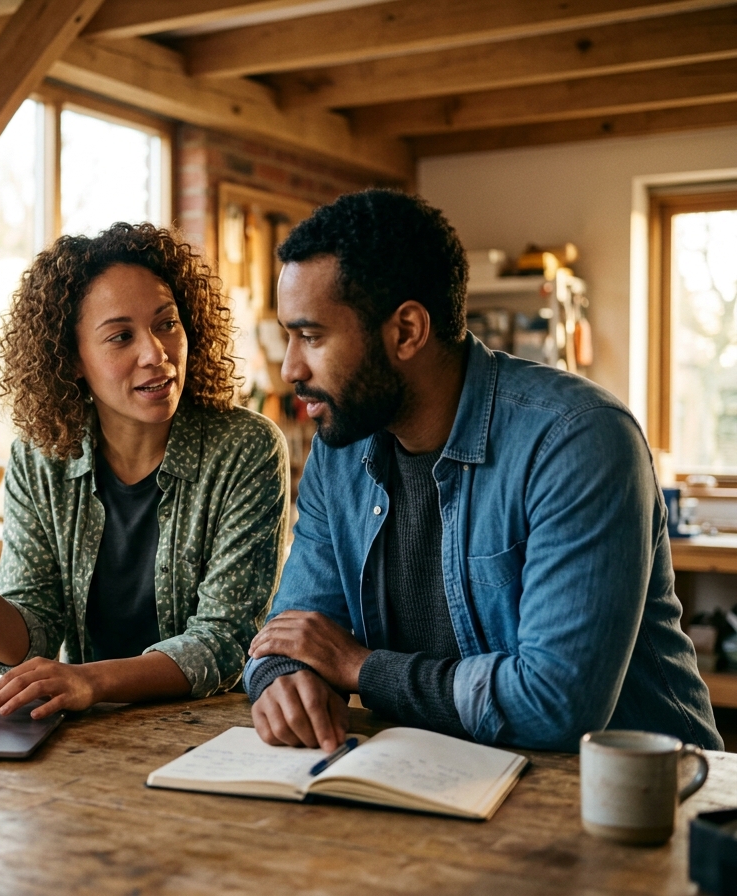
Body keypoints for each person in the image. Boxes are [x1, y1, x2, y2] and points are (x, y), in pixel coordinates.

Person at [244, 189, 722, 754]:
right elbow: (293, 631)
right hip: (435, 773)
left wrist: (359, 668)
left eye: (311, 337)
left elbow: (554, 703)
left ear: (406, 331)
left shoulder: (578, 439)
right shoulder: (342, 446)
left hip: (637, 791)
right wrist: (282, 679)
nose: (290, 368)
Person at [0, 222, 289, 720]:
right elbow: (31, 642)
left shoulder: (246, 447)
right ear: (71, 358)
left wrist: (90, 681)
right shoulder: (40, 457)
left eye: (167, 324)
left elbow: (225, 641)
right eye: (121, 336)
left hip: (210, 728)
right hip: (88, 728)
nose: (155, 354)